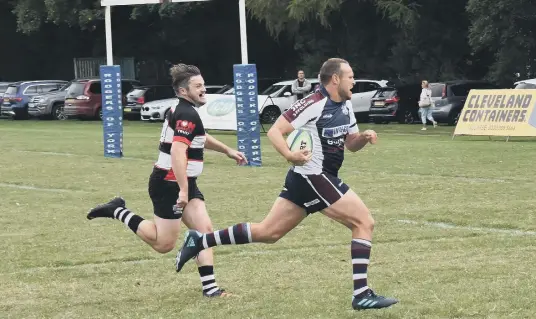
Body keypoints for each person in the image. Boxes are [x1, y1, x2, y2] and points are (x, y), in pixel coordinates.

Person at [174, 58, 399, 310]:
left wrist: (364, 138)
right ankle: (361, 294)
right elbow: (275, 131)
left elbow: (351, 143)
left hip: (310, 179)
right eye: (350, 76)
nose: (354, 81)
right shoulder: (313, 102)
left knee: (268, 233)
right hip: (313, 176)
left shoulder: (345, 106)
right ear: (335, 79)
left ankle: (201, 241)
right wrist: (290, 156)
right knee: (364, 222)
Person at [86, 63, 247, 298]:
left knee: (205, 231)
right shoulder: (185, 113)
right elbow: (177, 153)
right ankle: (117, 211)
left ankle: (211, 290)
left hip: (184, 182)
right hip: (169, 183)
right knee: (163, 244)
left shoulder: (185, 111)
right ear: (183, 91)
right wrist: (183, 190)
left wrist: (227, 151)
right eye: (198, 86)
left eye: (203, 85)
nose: (203, 90)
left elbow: (200, 137)